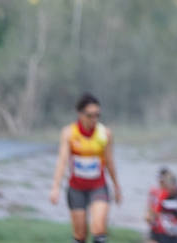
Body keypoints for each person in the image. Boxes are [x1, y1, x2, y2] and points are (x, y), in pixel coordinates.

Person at [49, 92, 123, 243]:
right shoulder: (69, 133)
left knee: (99, 228)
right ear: (80, 114)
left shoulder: (105, 134)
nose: (93, 119)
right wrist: (55, 187)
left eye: (97, 115)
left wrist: (116, 187)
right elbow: (62, 161)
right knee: (80, 234)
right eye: (90, 115)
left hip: (98, 186)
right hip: (76, 188)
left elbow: (110, 162)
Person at [146, 167, 177, 243]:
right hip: (163, 232)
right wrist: (149, 217)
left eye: (174, 185)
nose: (172, 188)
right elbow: (152, 212)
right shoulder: (159, 195)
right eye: (170, 186)